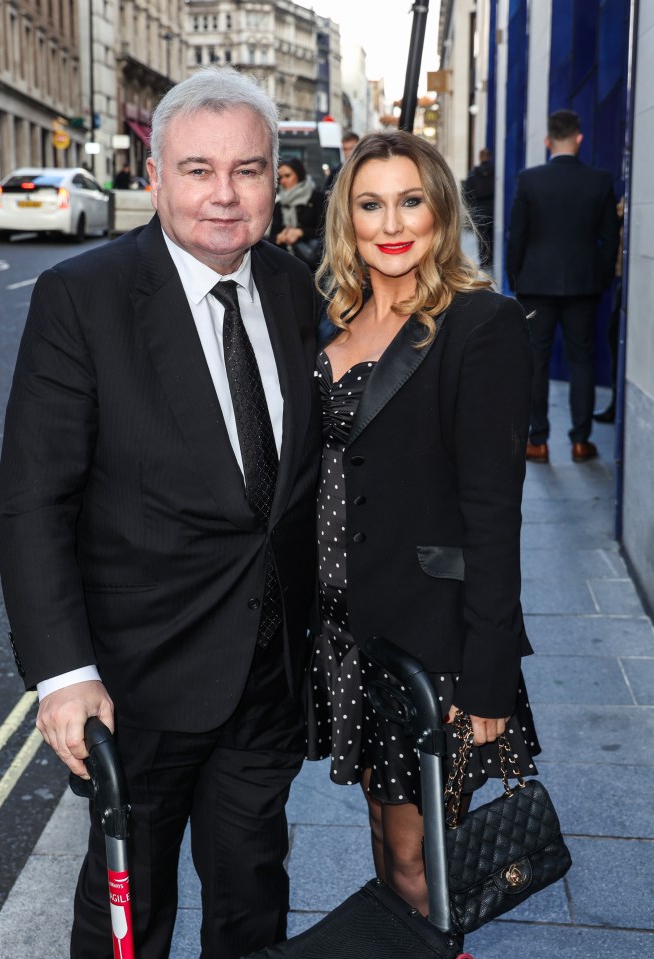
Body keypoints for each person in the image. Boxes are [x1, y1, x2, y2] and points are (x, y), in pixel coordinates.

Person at [0, 66, 321, 959]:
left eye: (248, 170)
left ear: (275, 178)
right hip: (137, 685)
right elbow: (33, 499)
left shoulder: (293, 289)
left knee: (253, 898)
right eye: (198, 169)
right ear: (154, 176)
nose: (224, 195)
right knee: (127, 917)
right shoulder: (83, 297)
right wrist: (63, 675)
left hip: (265, 678)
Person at [305, 129, 540, 915]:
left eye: (410, 200)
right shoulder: (330, 325)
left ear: (440, 210)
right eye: (370, 204)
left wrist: (489, 672)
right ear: (348, 217)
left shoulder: (479, 324)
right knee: (383, 833)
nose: (391, 222)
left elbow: (492, 513)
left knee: (419, 862)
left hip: (430, 638)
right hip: (347, 628)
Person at [506, 109, 619, 464]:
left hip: (536, 285)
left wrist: (516, 279)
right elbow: (610, 239)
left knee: (535, 361)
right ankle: (580, 442)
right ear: (579, 138)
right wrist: (599, 278)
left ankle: (537, 442)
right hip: (584, 286)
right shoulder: (600, 181)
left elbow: (517, 236)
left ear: (547, 141)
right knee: (582, 359)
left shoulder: (529, 180)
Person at [593, 195, 625, 423]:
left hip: (624, 279)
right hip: (619, 278)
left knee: (616, 341)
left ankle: (617, 405)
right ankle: (580, 439)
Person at [268, 157, 325, 269]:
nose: (283, 181)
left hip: (316, 265)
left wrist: (300, 232)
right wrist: (280, 237)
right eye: (280, 178)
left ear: (299, 175)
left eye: (288, 176)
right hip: (287, 265)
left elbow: (327, 231)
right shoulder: (280, 204)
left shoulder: (318, 198)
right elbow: (271, 238)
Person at [463, 148, 494, 269]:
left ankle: (483, 259)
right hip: (492, 209)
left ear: (480, 158)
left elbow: (467, 193)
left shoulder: (473, 174)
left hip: (479, 210)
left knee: (481, 236)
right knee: (491, 236)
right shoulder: (494, 173)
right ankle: (490, 259)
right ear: (489, 157)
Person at [324, 130, 360, 194]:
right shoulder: (335, 172)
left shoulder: (365, 169)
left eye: (351, 148)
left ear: (359, 147)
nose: (348, 152)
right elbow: (326, 193)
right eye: (345, 149)